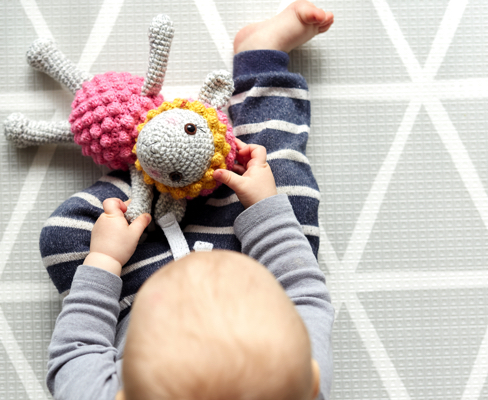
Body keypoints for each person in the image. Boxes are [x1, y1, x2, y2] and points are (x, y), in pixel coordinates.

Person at [44, 1, 335, 399]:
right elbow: (302, 292)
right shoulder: (293, 382)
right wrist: (265, 210)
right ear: (312, 379)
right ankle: (259, 58)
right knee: (278, 176)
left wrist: (105, 261)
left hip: (137, 273)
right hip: (252, 259)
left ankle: (140, 153)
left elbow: (77, 351)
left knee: (64, 236)